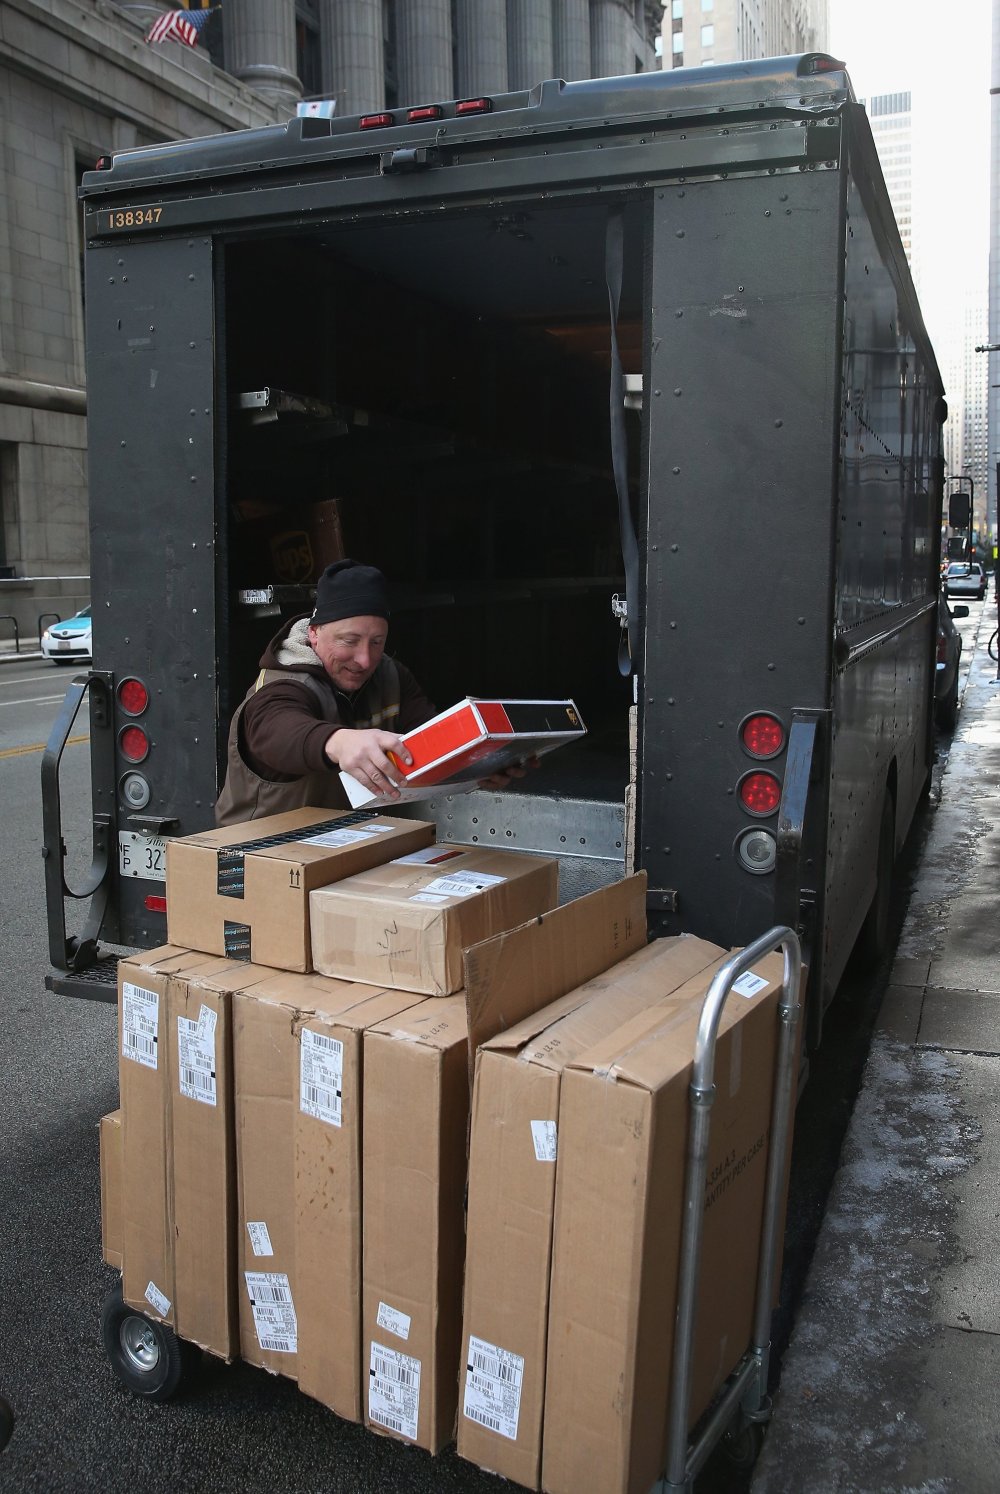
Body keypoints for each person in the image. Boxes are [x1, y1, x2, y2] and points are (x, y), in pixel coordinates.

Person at [215, 559, 435, 824]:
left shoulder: (392, 676)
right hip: (258, 854)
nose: (365, 659)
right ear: (314, 632)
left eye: (377, 642)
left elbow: (431, 736)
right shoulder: (281, 685)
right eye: (349, 641)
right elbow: (275, 730)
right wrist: (340, 742)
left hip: (345, 846)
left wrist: (479, 763)